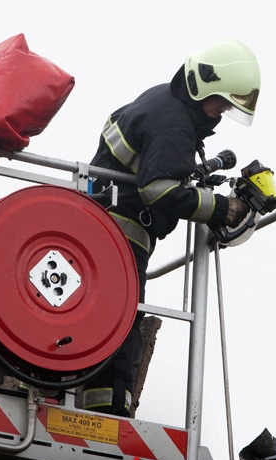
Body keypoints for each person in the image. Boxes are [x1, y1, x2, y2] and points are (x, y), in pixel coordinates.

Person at [82, 39, 261, 416]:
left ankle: (88, 404)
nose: (223, 110)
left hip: (98, 226)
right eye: (221, 101)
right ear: (204, 86)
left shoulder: (162, 98)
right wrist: (222, 208)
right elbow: (156, 190)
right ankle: (108, 418)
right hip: (121, 236)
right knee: (120, 324)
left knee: (99, 317)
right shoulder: (176, 123)